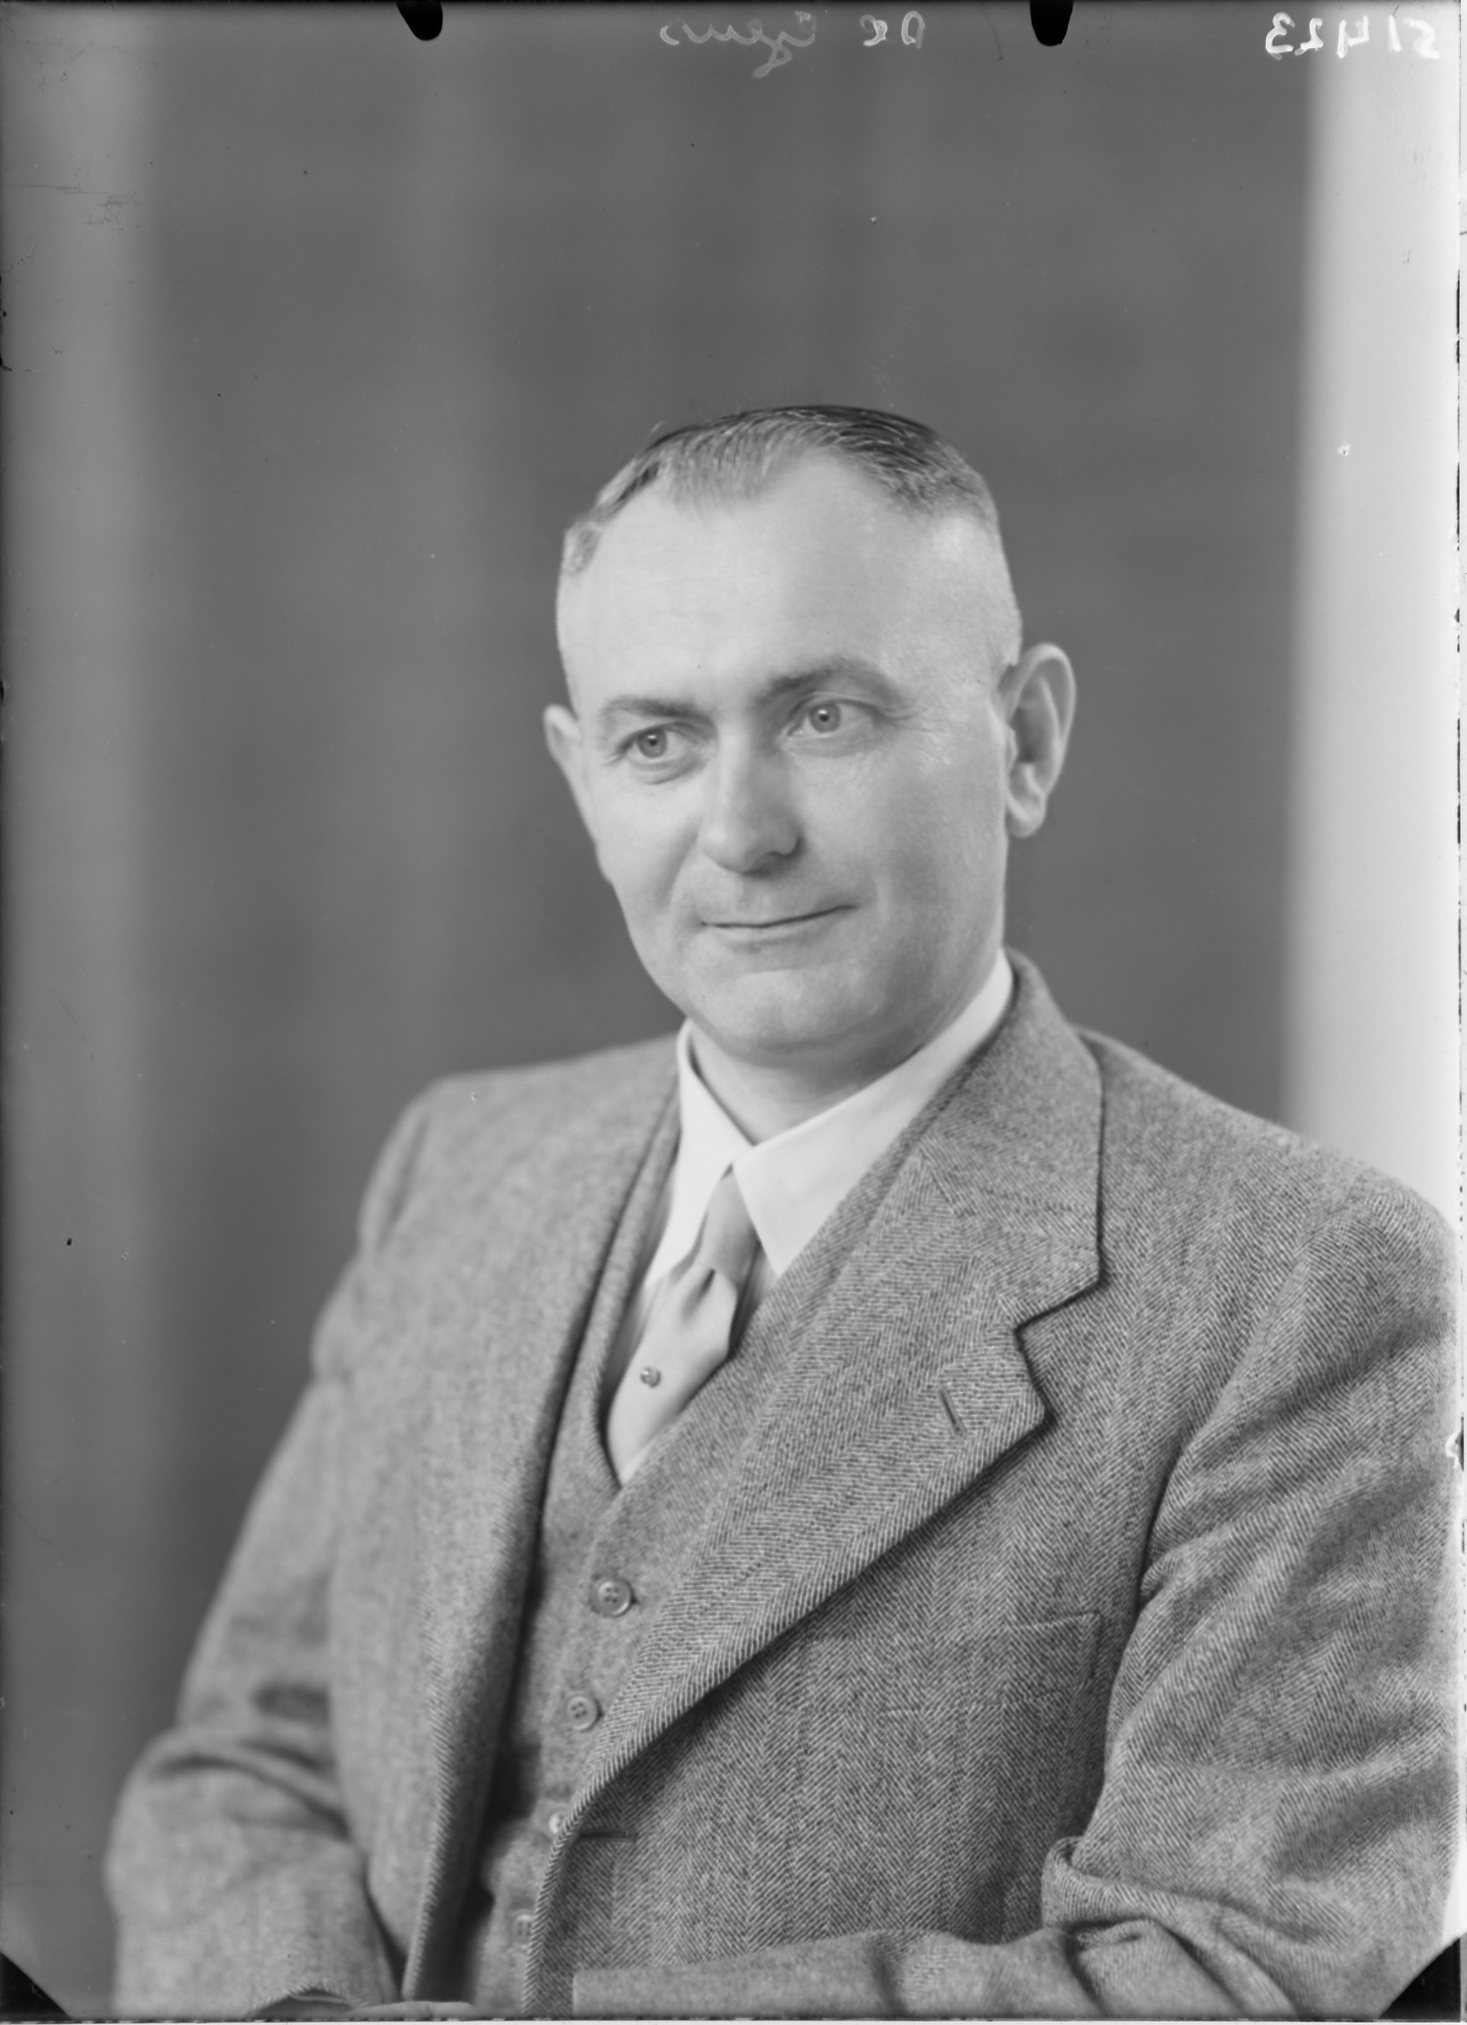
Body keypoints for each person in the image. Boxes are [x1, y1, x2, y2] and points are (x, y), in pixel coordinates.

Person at [106, 407, 1458, 2021]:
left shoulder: (1303, 1282)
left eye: (826, 715)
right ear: (583, 781)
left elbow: (1230, 1971)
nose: (741, 832)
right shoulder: (457, 1165)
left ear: (1025, 743)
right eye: (658, 741)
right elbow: (244, 1762)